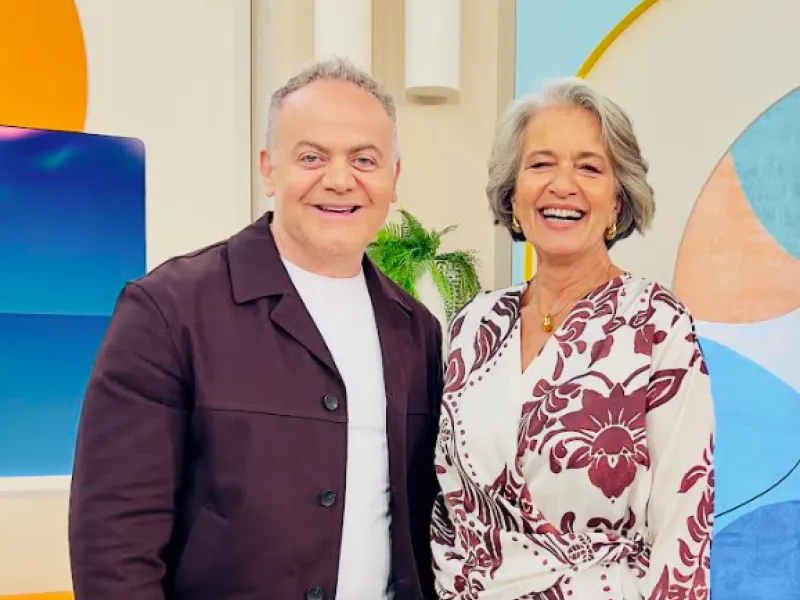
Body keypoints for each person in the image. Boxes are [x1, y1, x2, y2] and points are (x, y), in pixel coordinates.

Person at [68, 57, 444, 600]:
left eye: (364, 159)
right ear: (269, 169)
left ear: (394, 177)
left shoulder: (416, 330)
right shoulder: (169, 311)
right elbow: (114, 540)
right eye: (311, 157)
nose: (340, 180)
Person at [430, 78, 715, 599]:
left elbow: (684, 528)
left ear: (618, 203)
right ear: (513, 195)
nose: (562, 185)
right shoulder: (473, 324)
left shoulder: (656, 324)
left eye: (589, 167)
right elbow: (445, 509)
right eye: (540, 164)